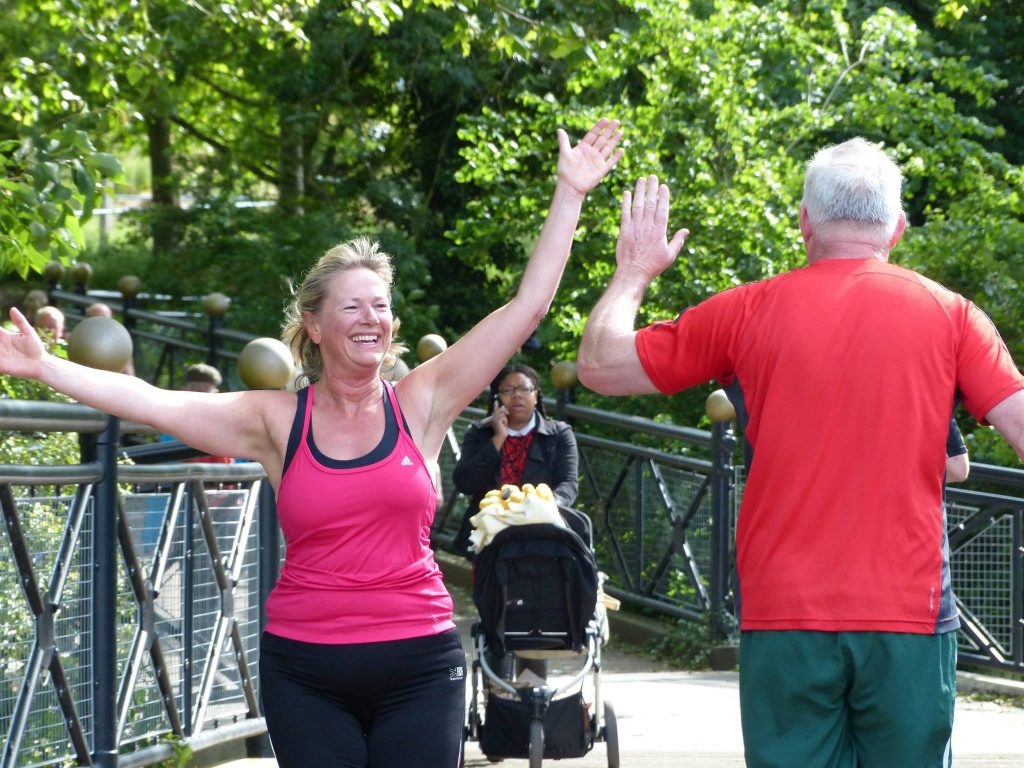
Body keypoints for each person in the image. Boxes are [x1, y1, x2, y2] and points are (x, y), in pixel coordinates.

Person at [0, 117, 623, 768]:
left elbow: (527, 307)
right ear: (315, 326)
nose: (371, 318)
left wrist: (569, 192)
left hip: (419, 663)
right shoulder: (275, 420)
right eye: (352, 307)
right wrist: (45, 367)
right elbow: (155, 402)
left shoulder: (423, 401)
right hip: (304, 671)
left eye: (381, 306)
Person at [577, 141, 1024, 767]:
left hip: (785, 610)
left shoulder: (745, 311)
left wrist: (633, 270)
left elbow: (599, 365)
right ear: (897, 226)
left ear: (804, 221)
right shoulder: (953, 315)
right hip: (910, 610)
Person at [451, 363, 579, 558]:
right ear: (497, 398)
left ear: (536, 395)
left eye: (524, 389)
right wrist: (498, 438)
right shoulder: (480, 432)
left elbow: (568, 483)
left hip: (540, 532)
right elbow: (464, 483)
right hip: (488, 535)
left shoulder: (559, 434)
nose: (517, 395)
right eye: (508, 390)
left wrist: (546, 506)